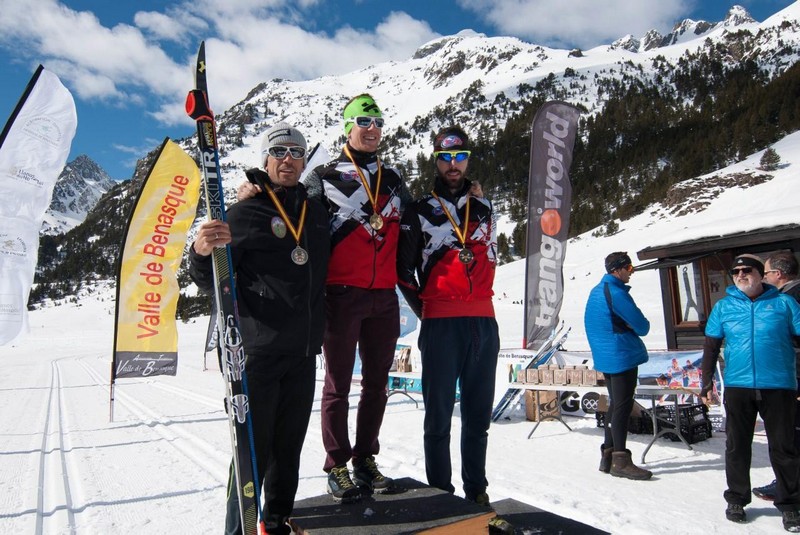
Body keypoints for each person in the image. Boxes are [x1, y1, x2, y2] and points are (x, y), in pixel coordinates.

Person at [240, 94, 411, 502]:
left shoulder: (394, 180)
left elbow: (415, 224)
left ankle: (365, 459)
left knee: (377, 385)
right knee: (338, 385)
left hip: (383, 296)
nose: (372, 128)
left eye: (377, 121)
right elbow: (291, 212)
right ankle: (337, 465)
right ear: (347, 128)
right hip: (340, 294)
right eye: (363, 121)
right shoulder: (323, 176)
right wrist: (258, 192)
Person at [188, 122, 330, 535]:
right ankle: (239, 529)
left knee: (288, 450)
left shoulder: (316, 212)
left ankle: (277, 522)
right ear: (265, 160)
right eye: (279, 152)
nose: (288, 160)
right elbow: (209, 279)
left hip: (303, 352)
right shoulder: (244, 212)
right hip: (257, 352)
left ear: (304, 161)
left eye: (296, 152)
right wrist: (200, 251)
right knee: (251, 450)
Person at [397, 125, 500, 505]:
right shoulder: (419, 210)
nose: (453, 164)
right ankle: (441, 494)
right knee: (438, 417)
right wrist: (427, 311)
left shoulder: (484, 208)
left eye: (459, 157)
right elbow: (403, 272)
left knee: (478, 418)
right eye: (446, 157)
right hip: (440, 323)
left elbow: (489, 258)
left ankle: (477, 492)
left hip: (484, 322)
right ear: (436, 161)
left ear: (467, 160)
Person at [700, 254, 800, 532]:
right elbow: (711, 346)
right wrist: (706, 382)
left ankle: (790, 505)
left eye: (747, 270)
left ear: (761, 274)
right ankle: (737, 499)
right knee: (737, 446)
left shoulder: (784, 303)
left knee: (784, 448)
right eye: (736, 272)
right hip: (738, 386)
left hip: (778, 385)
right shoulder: (723, 307)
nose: (741, 275)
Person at [584, 252, 652, 480]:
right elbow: (642, 326)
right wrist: (629, 327)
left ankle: (608, 455)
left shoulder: (596, 291)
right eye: (629, 268)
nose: (631, 273)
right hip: (621, 354)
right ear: (618, 269)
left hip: (606, 356)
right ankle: (620, 461)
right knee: (622, 407)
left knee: (616, 405)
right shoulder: (616, 293)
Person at [752, 251, 800, 502]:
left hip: (792, 375)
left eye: (766, 273)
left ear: (778, 274)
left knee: (790, 434)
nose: (764, 278)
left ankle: (788, 485)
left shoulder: (790, 300)